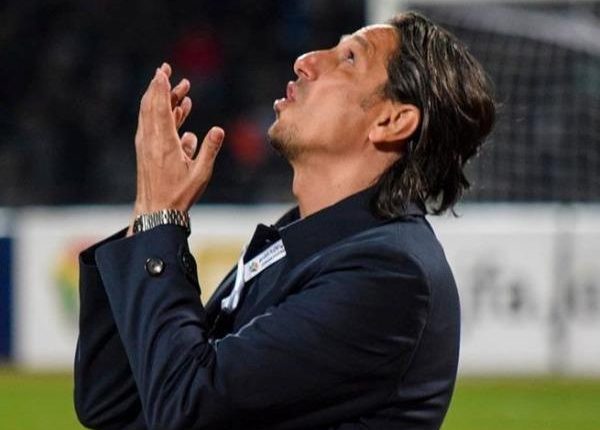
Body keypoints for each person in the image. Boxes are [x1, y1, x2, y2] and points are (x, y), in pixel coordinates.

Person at [74, 12, 494, 430]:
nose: (306, 61)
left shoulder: (389, 274)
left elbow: (186, 409)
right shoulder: (302, 241)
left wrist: (160, 221)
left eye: (349, 58)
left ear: (391, 121)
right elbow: (115, 404)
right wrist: (149, 210)